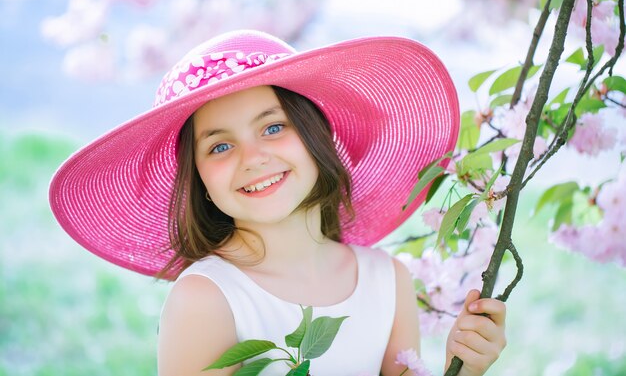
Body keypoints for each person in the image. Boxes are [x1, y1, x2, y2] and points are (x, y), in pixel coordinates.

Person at [49, 30, 506, 376]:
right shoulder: (207, 299)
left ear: (317, 136)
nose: (253, 159)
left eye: (272, 128)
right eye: (219, 147)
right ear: (200, 181)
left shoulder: (387, 280)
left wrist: (462, 365)